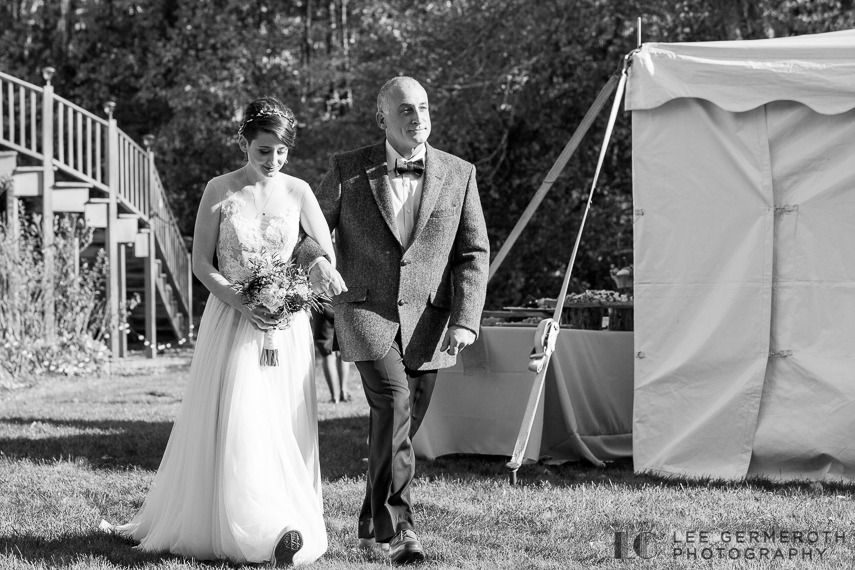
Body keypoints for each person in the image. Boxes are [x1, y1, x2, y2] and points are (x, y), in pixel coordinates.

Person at [106, 96, 340, 566]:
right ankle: (253, 528)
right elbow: (199, 261)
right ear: (244, 144)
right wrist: (243, 300)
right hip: (232, 320)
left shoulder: (299, 192)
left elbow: (324, 255)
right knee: (239, 416)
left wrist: (295, 291)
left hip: (284, 328)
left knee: (281, 419)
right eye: (263, 151)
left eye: (281, 151)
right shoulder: (220, 190)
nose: (273, 161)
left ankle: (285, 522)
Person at [299, 76, 489, 564]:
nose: (417, 117)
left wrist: (467, 317)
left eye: (423, 107)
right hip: (364, 311)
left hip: (431, 321)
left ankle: (367, 521)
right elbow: (305, 234)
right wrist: (317, 260)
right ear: (382, 117)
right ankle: (398, 531)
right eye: (405, 110)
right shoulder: (348, 169)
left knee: (399, 426)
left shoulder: (459, 172)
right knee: (394, 404)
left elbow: (473, 252)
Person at [311, 303, 350, 403]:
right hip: (342, 302)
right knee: (343, 350)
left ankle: (334, 397)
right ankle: (343, 392)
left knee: (328, 353)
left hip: (323, 304)